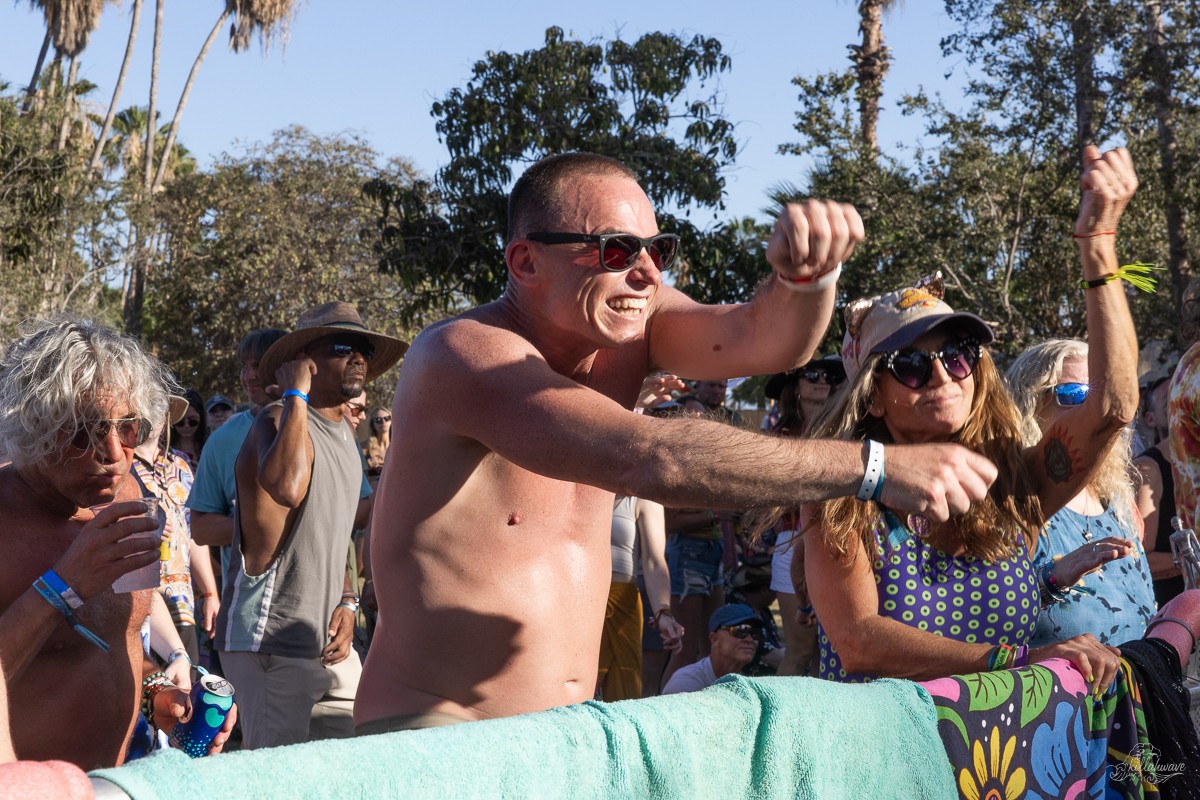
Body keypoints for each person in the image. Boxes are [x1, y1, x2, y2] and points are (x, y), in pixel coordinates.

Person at [356, 151, 999, 733]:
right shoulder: (463, 355)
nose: (645, 274)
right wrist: (874, 466)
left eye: (657, 250)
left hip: (562, 734)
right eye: (616, 251)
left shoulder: (632, 329)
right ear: (526, 262)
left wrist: (809, 279)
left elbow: (767, 339)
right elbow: (651, 457)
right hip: (438, 732)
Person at [801, 146, 1138, 693]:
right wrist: (1020, 659)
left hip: (1013, 742)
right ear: (873, 397)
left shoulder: (1014, 487)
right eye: (910, 365)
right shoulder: (842, 493)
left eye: (958, 355)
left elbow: (1113, 408)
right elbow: (859, 641)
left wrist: (1099, 246)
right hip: (888, 741)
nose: (942, 375)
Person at [0, 315, 235, 768]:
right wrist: (62, 587)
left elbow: (119, 640)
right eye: (85, 431)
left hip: (116, 780)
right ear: (36, 427)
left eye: (130, 428)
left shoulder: (127, 497)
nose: (113, 454)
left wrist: (159, 696)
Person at [215, 302, 405, 749]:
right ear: (305, 361)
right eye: (343, 347)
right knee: (276, 778)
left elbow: (334, 533)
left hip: (326, 643)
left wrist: (348, 600)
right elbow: (288, 486)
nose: (357, 357)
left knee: (350, 763)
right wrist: (295, 394)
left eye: (364, 350)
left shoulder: (346, 435)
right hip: (269, 641)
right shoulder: (275, 420)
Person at [1006, 339, 1157, 646]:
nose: (1094, 409)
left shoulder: (1117, 501)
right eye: (1074, 394)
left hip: (1141, 675)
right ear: (1029, 405)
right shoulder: (1010, 501)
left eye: (1101, 396)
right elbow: (980, 610)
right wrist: (1051, 580)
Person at [761, 355, 845, 676]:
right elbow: (770, 496)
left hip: (838, 541)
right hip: (791, 540)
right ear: (795, 386)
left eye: (829, 376)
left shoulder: (847, 429)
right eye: (813, 375)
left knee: (832, 651)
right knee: (799, 651)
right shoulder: (780, 436)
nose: (822, 380)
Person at [131, 399, 221, 666]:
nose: (153, 415)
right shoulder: (118, 466)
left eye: (160, 408)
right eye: (146, 407)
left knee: (185, 681)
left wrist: (210, 593)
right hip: (138, 602)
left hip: (182, 604)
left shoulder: (180, 465)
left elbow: (193, 533)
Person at [598, 495, 683, 701]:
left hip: (622, 602)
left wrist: (663, 611)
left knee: (623, 693)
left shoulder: (643, 497)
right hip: (577, 601)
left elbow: (654, 561)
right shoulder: (576, 484)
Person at [1134, 368, 1187, 605]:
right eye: (1169, 401)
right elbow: (1141, 558)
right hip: (1174, 607)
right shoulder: (1149, 468)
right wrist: (1191, 558)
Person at [660, 604, 762, 695]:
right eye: (740, 630)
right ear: (714, 639)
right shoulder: (686, 682)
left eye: (756, 633)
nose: (750, 639)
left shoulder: (748, 685)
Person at [170, 389, 207, 470]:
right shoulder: (163, 447)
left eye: (192, 421)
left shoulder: (209, 445)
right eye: (180, 422)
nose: (186, 426)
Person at [364, 405, 391, 485]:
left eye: (387, 418)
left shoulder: (397, 447)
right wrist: (367, 465)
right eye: (378, 420)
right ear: (373, 424)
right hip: (372, 490)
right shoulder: (365, 447)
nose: (383, 422)